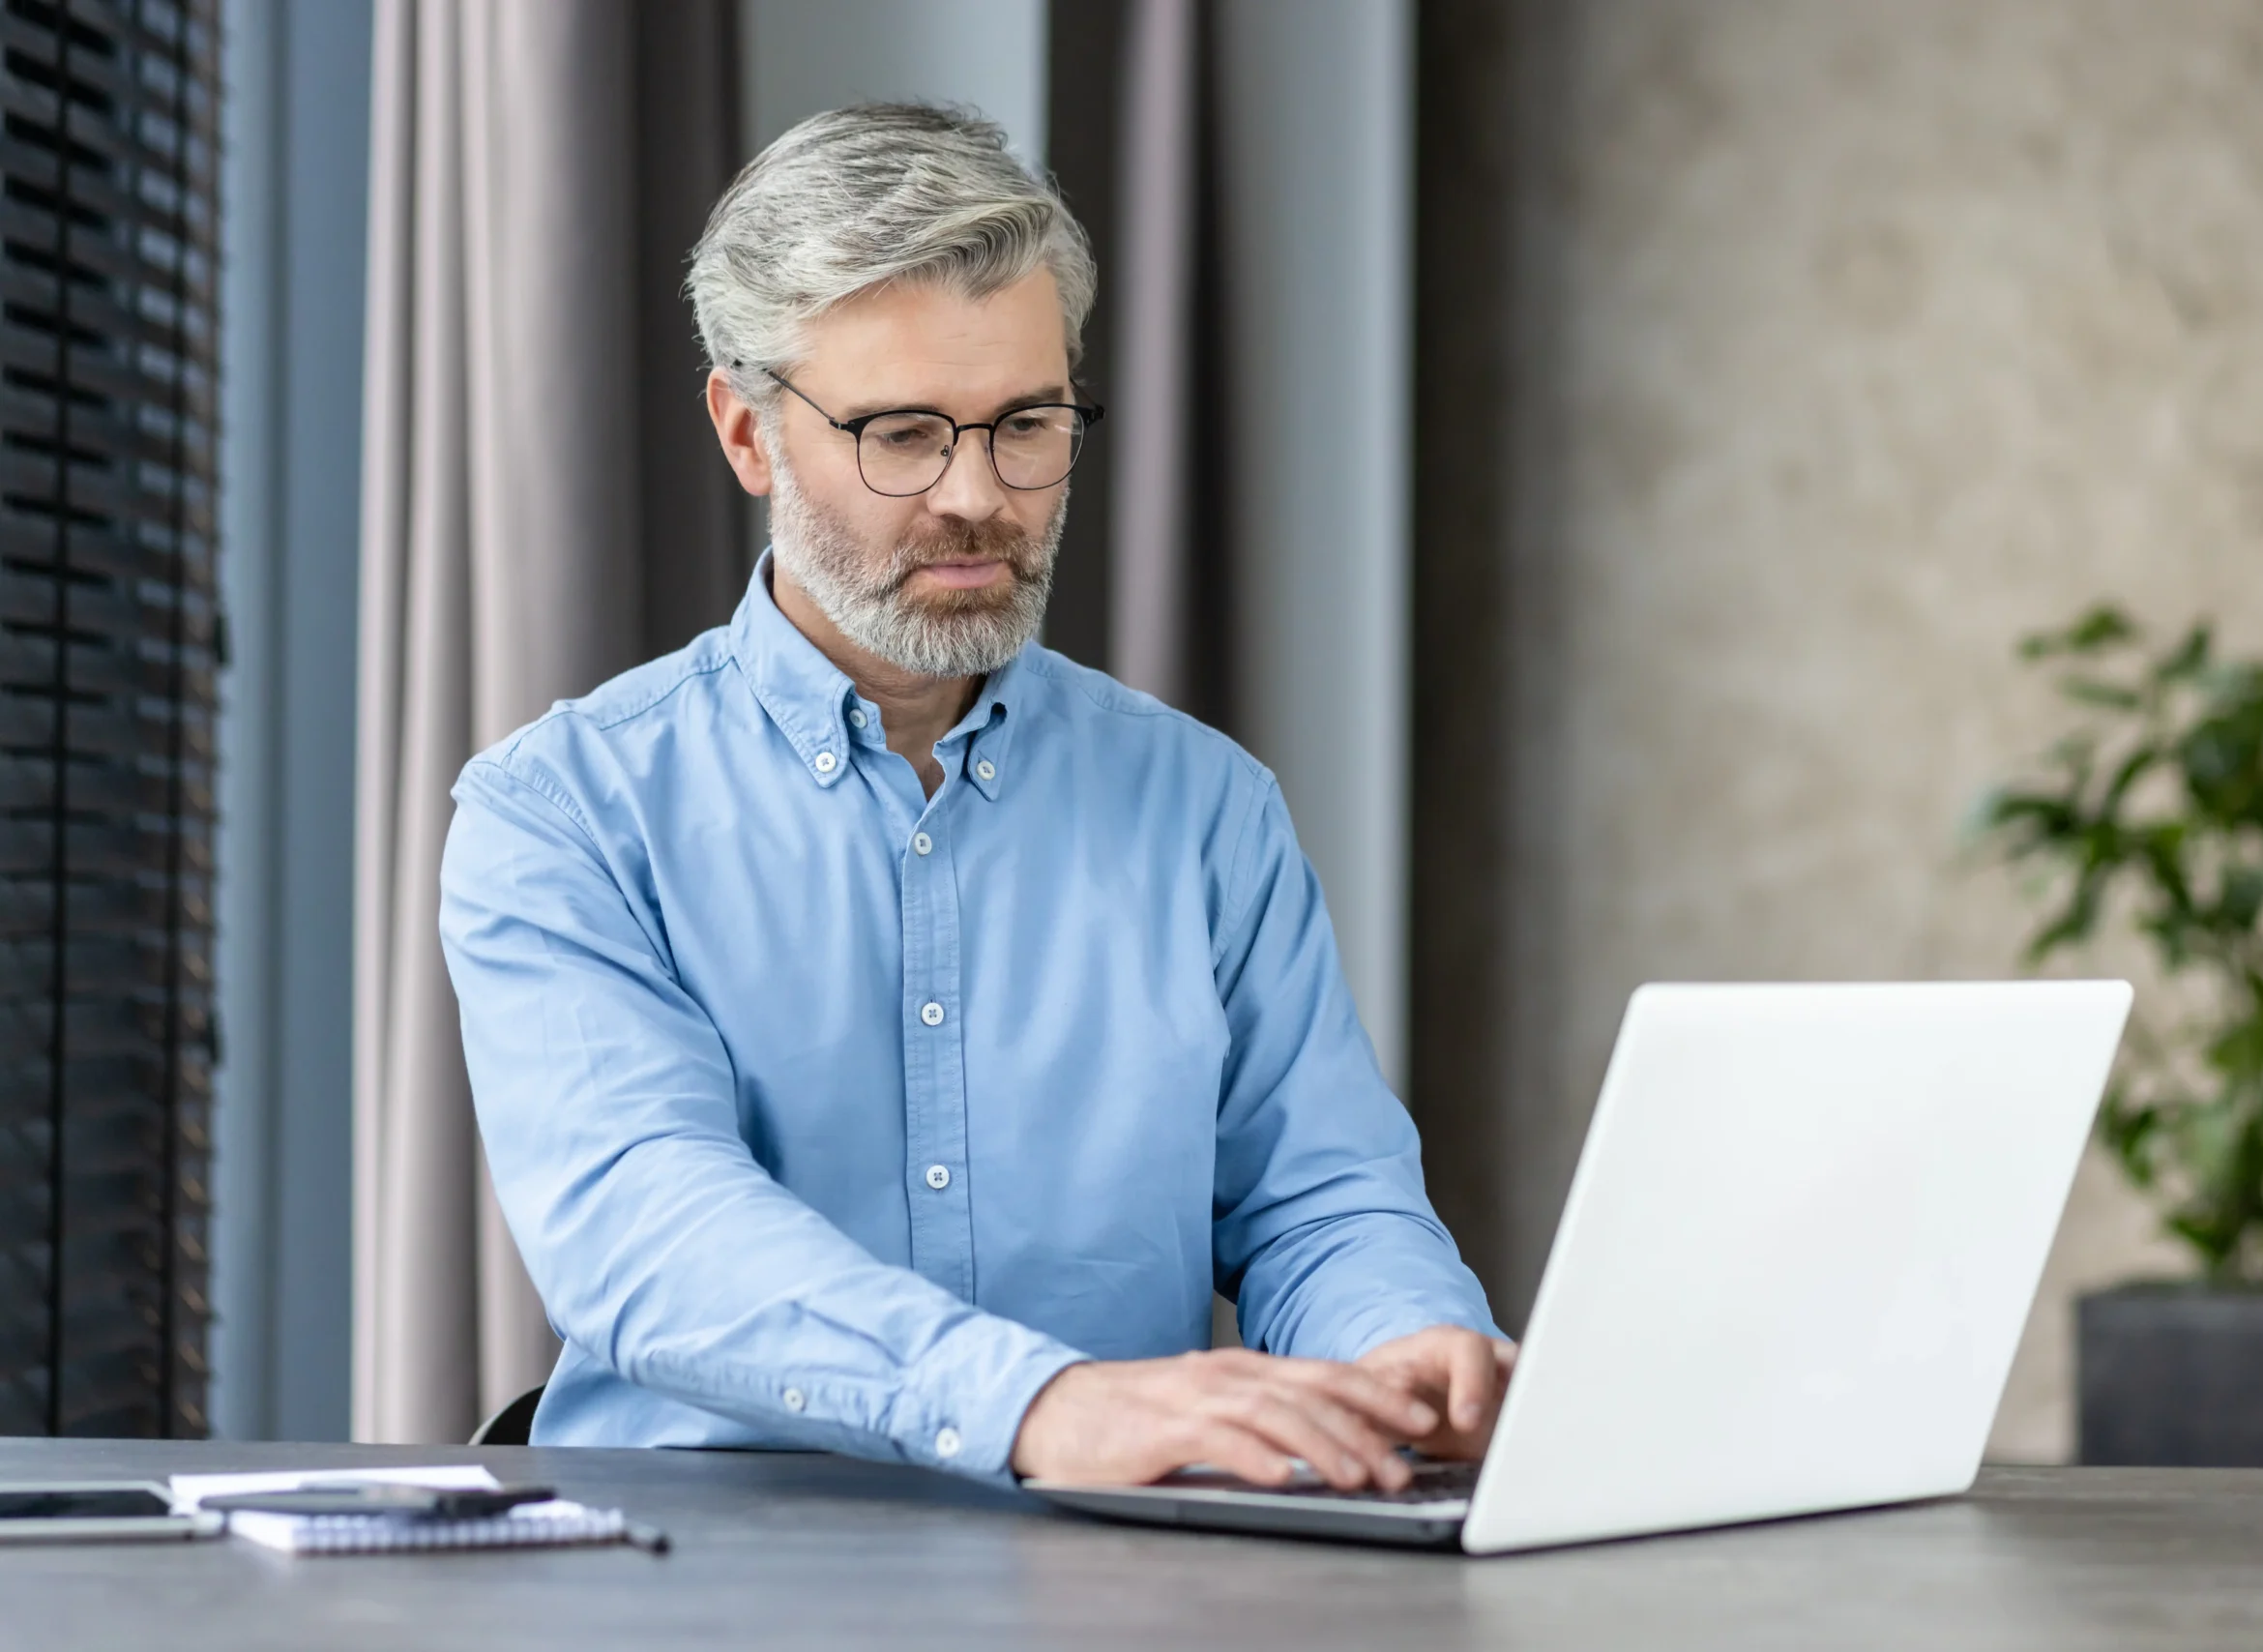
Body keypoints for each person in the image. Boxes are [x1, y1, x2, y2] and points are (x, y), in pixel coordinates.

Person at [439, 103, 1509, 1493]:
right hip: (695, 1583)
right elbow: (647, 1231)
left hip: (1119, 1582)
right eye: (900, 433)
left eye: (1026, 424)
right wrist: (1041, 1407)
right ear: (748, 434)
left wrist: (1401, 1344)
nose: (975, 497)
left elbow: (1319, 1199)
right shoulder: (561, 812)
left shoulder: (1205, 810)